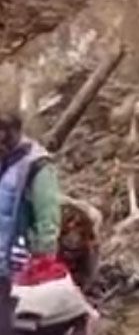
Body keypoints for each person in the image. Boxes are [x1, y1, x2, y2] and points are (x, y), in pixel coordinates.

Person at [0, 110, 61, 334]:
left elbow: (48, 221)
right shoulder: (4, 160)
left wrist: (43, 266)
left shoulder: (38, 167)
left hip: (18, 269)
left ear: (13, 132)